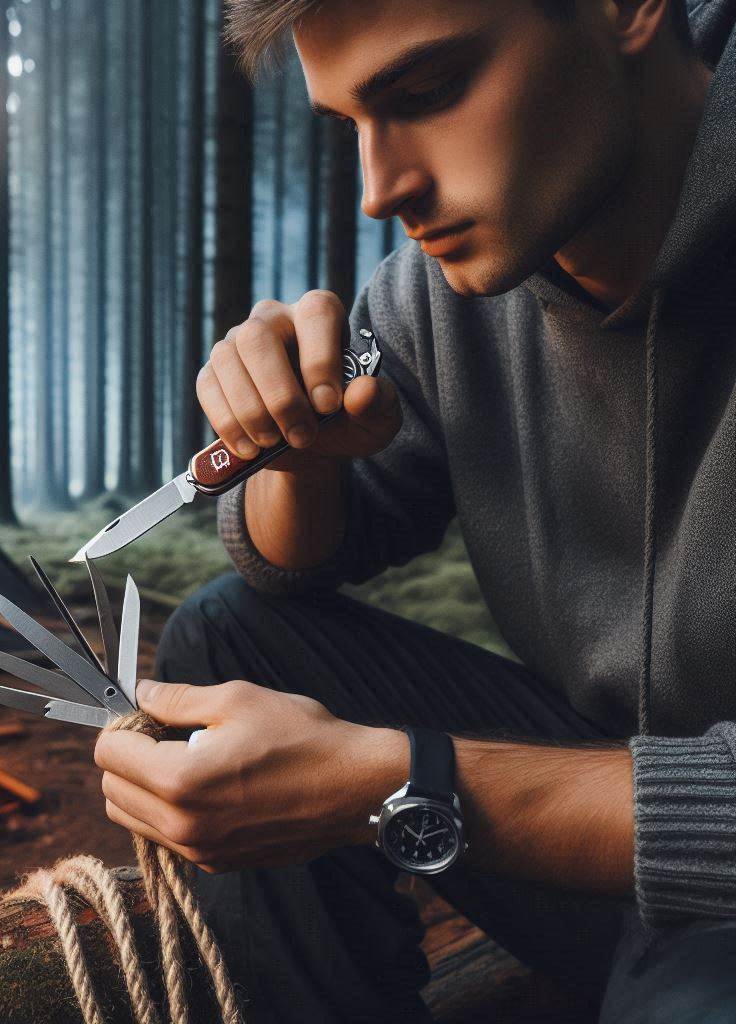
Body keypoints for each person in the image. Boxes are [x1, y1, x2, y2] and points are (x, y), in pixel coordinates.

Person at [94, 1, 736, 1020]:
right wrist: (298, 453)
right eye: (350, 122)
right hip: (609, 843)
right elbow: (292, 567)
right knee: (231, 633)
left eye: (428, 92)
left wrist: (408, 780)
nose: (379, 189)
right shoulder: (444, 296)